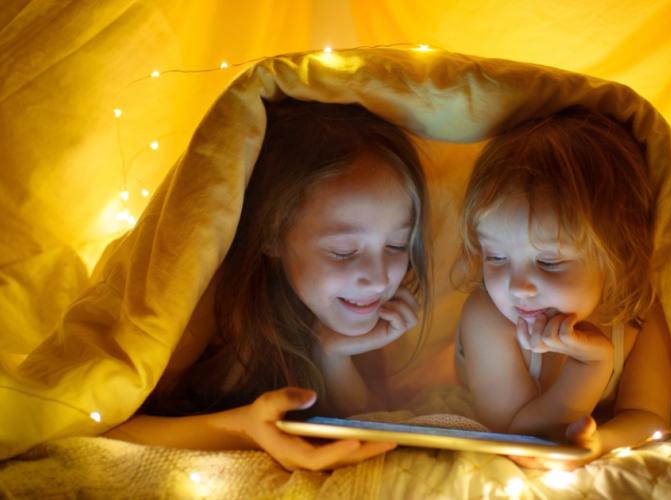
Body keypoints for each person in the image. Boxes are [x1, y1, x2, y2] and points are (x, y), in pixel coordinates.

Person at [103, 98, 431, 471]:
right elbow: (106, 427)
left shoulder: (342, 305)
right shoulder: (200, 305)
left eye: (396, 245)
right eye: (343, 251)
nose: (379, 276)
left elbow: (363, 425)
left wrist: (333, 357)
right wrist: (243, 428)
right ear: (271, 233)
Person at [455, 107, 671, 469]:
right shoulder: (488, 318)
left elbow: (648, 415)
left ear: (614, 254)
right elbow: (524, 439)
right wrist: (590, 364)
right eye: (495, 257)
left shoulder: (638, 315)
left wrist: (598, 442)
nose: (518, 287)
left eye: (549, 262)